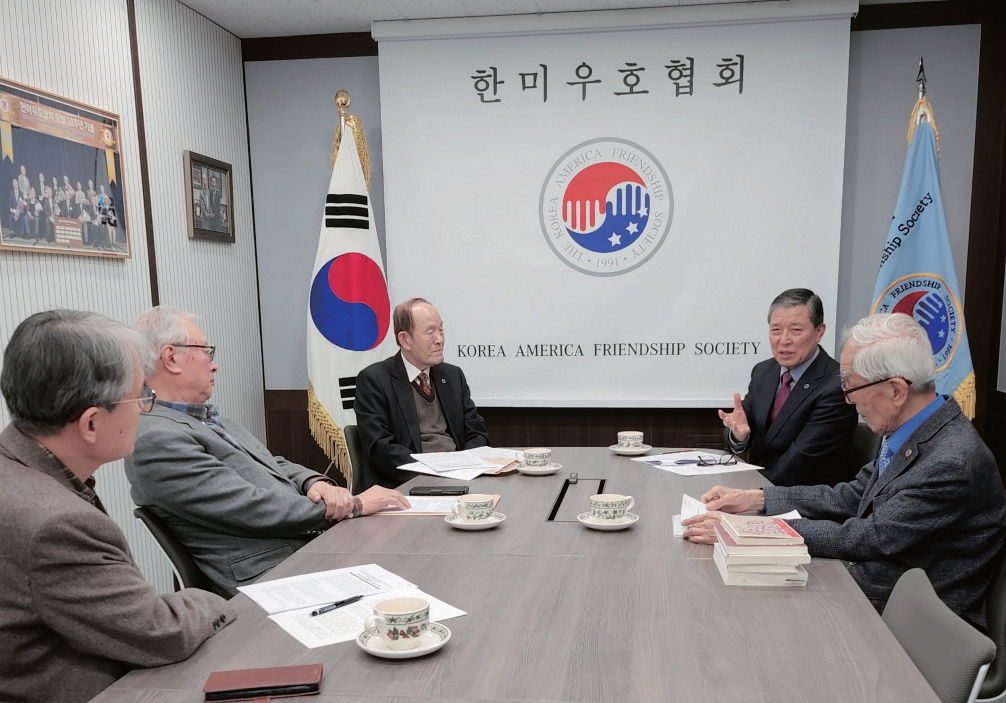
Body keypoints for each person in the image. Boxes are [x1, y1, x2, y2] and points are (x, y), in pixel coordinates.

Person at [686, 313, 1006, 627]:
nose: (848, 400)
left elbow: (868, 537)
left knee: (737, 615)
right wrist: (756, 499)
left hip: (911, 622)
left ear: (896, 390)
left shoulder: (950, 464)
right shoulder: (914, 428)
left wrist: (747, 531)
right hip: (870, 583)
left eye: (851, 387)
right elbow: (852, 496)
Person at [0, 310, 235, 703]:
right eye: (141, 395)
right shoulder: (56, 524)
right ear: (91, 424)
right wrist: (217, 599)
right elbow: (162, 632)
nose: (145, 408)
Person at [126, 307, 410, 596]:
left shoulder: (204, 417)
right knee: (406, 572)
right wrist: (351, 504)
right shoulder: (157, 438)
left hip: (304, 548)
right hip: (272, 574)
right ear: (171, 358)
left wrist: (315, 483)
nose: (214, 365)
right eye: (206, 352)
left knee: (406, 550)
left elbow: (270, 462)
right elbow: (250, 507)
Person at [719, 288, 858, 486]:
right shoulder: (763, 372)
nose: (784, 340)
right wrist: (739, 436)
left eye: (796, 330)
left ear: (819, 332)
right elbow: (743, 425)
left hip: (805, 495)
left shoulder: (836, 385)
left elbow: (800, 463)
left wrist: (751, 493)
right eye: (776, 330)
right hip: (762, 489)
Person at [355, 298, 490, 489]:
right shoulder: (374, 380)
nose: (439, 339)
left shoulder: (453, 375)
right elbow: (380, 449)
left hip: (460, 477)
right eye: (430, 332)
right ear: (405, 340)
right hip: (408, 483)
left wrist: (465, 465)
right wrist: (433, 470)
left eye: (441, 330)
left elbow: (476, 432)